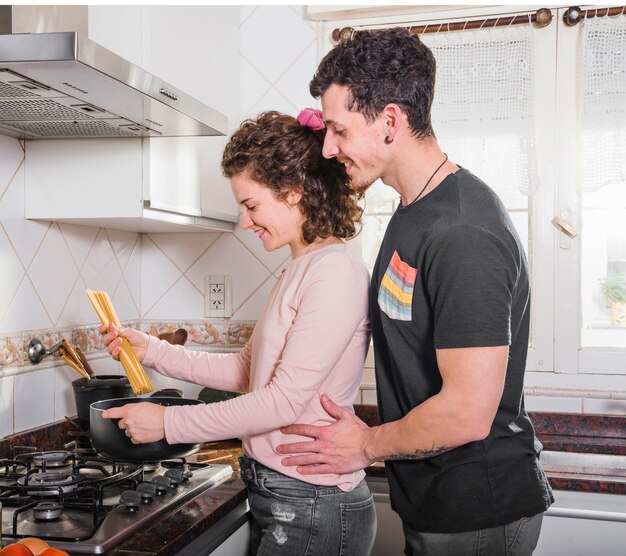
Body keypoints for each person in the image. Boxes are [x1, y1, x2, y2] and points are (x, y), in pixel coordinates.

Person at [276, 28, 554, 555]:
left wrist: (365, 444)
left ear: (389, 122)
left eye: (338, 129)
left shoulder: (463, 232)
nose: (330, 147)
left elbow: (467, 412)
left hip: (477, 509)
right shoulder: (413, 210)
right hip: (436, 500)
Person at [98, 110, 376, 556]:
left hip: (313, 504)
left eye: (251, 205)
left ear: (294, 193)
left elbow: (282, 400)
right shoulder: (299, 268)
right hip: (287, 495)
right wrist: (149, 350)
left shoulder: (335, 274)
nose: (245, 222)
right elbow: (248, 370)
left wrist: (170, 422)